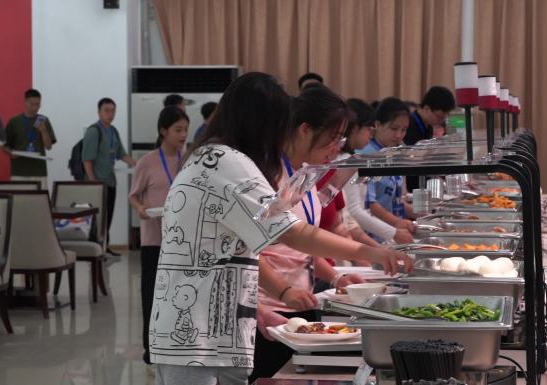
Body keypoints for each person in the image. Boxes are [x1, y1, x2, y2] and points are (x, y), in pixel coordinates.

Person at [148, 72, 410, 385]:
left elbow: (224, 253)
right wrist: (371, 251)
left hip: (213, 330)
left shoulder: (211, 156)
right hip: (197, 337)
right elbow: (291, 232)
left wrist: (254, 311)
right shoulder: (225, 161)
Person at [252, 87, 382, 382]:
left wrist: (336, 276)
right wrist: (283, 292)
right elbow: (250, 252)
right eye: (333, 137)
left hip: (302, 302)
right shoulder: (268, 178)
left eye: (341, 138)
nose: (337, 146)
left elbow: (305, 246)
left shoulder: (306, 176)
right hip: (269, 310)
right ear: (304, 130)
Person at [129, 106, 189, 365]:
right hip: (154, 239)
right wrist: (141, 209)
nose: (183, 135)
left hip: (183, 240)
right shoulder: (147, 162)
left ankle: (174, 345)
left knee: (180, 296)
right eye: (178, 130)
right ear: (163, 131)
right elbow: (133, 195)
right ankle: (150, 350)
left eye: (185, 129)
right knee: (152, 295)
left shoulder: (189, 161)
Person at [340, 98, 414, 244]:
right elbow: (359, 209)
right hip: (368, 234)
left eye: (404, 130)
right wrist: (393, 230)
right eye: (394, 129)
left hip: (373, 234)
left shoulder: (390, 152)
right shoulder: (361, 157)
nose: (399, 135)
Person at [82, 97, 137, 256]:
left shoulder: (113, 131)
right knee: (98, 218)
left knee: (108, 215)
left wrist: (137, 164)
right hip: (97, 182)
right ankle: (96, 248)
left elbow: (121, 154)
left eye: (113, 111)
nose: (110, 114)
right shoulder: (94, 131)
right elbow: (87, 159)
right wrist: (92, 181)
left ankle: (105, 246)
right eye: (106, 110)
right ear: (99, 112)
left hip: (110, 181)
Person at [404, 86, 456, 190]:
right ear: (427, 108)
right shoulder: (410, 126)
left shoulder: (428, 126)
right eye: (439, 117)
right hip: (411, 186)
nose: (441, 121)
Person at [4, 89, 56, 189]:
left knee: (39, 203)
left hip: (39, 171)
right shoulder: (14, 121)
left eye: (38, 104)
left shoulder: (44, 120)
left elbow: (48, 147)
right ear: (25, 102)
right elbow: (4, 145)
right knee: (18, 202)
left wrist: (44, 131)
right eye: (32, 104)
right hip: (19, 171)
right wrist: (10, 153)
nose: (35, 107)